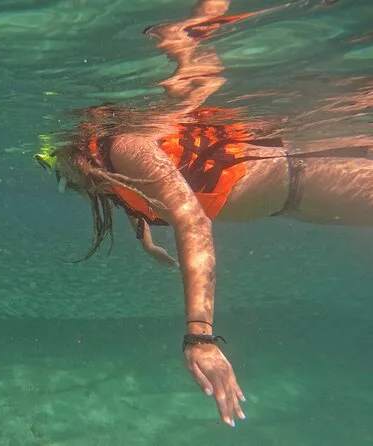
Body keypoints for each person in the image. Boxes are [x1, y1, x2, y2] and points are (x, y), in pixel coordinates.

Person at [35, 0, 373, 428]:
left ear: (71, 147)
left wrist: (200, 335)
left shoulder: (126, 146)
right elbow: (137, 194)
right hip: (295, 203)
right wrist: (146, 239)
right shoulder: (107, 169)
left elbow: (192, 219)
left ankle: (199, 20)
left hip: (312, 177)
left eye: (48, 159)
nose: (53, 171)